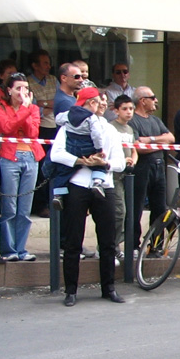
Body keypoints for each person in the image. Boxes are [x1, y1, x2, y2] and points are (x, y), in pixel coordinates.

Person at [50, 105, 126, 306]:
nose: (97, 106)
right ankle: (71, 291)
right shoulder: (68, 127)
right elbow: (55, 154)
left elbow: (120, 161)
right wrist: (81, 161)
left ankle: (109, 288)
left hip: (105, 186)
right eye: (91, 103)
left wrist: (105, 163)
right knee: (73, 240)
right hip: (77, 185)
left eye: (100, 102)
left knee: (108, 241)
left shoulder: (110, 130)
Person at [0, 73, 43, 262]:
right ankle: (9, 250)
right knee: (9, 207)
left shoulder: (33, 108)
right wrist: (24, 110)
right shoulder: (1, 107)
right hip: (9, 157)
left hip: (31, 157)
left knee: (24, 208)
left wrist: (25, 109)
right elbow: (7, 127)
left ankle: (21, 249)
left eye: (25, 88)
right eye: (18, 88)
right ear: (9, 90)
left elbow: (33, 131)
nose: (22, 92)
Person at [129, 87, 174, 252]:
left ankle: (156, 244)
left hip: (159, 168)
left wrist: (151, 140)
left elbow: (171, 138)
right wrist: (159, 144)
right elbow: (138, 147)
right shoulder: (133, 120)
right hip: (141, 168)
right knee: (136, 207)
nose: (156, 101)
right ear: (142, 100)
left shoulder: (155, 121)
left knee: (160, 208)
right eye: (152, 97)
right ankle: (133, 245)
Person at [49, 87, 110, 207]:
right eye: (98, 103)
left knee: (63, 170)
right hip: (86, 147)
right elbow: (97, 135)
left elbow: (58, 119)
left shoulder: (68, 114)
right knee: (99, 165)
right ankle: (97, 183)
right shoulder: (92, 118)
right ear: (92, 103)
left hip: (71, 147)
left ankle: (58, 194)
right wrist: (99, 150)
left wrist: (67, 124)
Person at [109, 95, 138, 262]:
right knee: (119, 212)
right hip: (113, 175)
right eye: (125, 109)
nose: (128, 112)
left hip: (127, 175)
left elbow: (133, 150)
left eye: (131, 109)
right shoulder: (111, 127)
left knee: (126, 213)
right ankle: (109, 247)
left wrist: (133, 161)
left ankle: (116, 246)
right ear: (116, 111)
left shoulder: (130, 129)